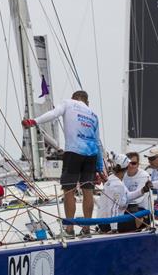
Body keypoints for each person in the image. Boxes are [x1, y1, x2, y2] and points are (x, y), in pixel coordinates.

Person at [22, 90, 105, 236]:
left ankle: (69, 229)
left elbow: (54, 114)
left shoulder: (68, 103)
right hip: (91, 155)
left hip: (74, 152)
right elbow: (98, 143)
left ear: (74, 98)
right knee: (88, 192)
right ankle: (86, 229)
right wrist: (100, 167)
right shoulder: (93, 115)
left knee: (69, 191)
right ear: (87, 102)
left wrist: (34, 121)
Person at [97, 158, 151, 233]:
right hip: (108, 224)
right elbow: (113, 208)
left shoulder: (113, 178)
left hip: (104, 221)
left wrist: (144, 190)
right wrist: (114, 229)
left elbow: (128, 196)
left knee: (141, 213)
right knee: (146, 218)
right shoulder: (117, 185)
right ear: (127, 168)